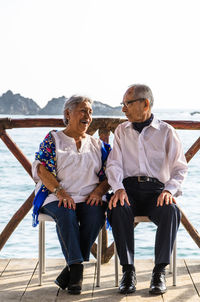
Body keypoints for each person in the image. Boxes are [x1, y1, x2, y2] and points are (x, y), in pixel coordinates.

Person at [106, 84, 188, 295]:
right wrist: (117, 188)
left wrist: (169, 191)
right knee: (117, 207)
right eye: (122, 104)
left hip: (157, 192)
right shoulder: (121, 131)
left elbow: (180, 168)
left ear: (145, 104)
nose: (123, 109)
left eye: (127, 104)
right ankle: (128, 271)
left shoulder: (166, 131)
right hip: (129, 189)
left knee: (171, 211)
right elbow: (113, 164)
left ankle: (159, 272)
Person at [32, 95, 110, 295]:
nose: (88, 116)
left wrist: (99, 191)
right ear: (68, 113)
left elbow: (111, 173)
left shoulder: (97, 144)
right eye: (83, 111)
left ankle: (70, 270)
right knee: (66, 214)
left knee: (96, 216)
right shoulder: (54, 138)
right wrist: (60, 192)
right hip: (55, 196)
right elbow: (42, 170)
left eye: (90, 112)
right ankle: (76, 269)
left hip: (89, 196)